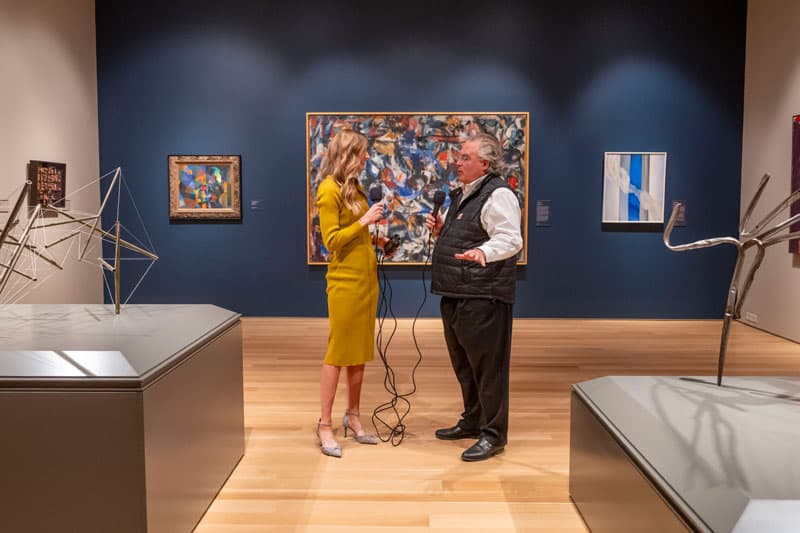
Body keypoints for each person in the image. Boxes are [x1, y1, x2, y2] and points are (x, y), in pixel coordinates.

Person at [425, 133, 523, 462]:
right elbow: (472, 231)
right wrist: (443, 232)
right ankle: (472, 420)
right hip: (456, 293)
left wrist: (483, 252)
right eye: (459, 156)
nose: (457, 161)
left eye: (465, 157)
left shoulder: (498, 194)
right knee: (465, 366)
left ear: (484, 163)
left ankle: (493, 434)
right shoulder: (464, 195)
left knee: (487, 368)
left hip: (483, 297)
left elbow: (510, 238)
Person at [315, 128, 387, 458]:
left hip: (365, 278)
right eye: (363, 152)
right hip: (343, 281)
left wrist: (378, 239)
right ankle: (325, 424)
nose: (367, 157)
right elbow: (331, 240)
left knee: (358, 350)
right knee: (338, 351)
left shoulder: (354, 188)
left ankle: (354, 416)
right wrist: (365, 221)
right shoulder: (328, 190)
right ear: (348, 154)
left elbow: (355, 236)